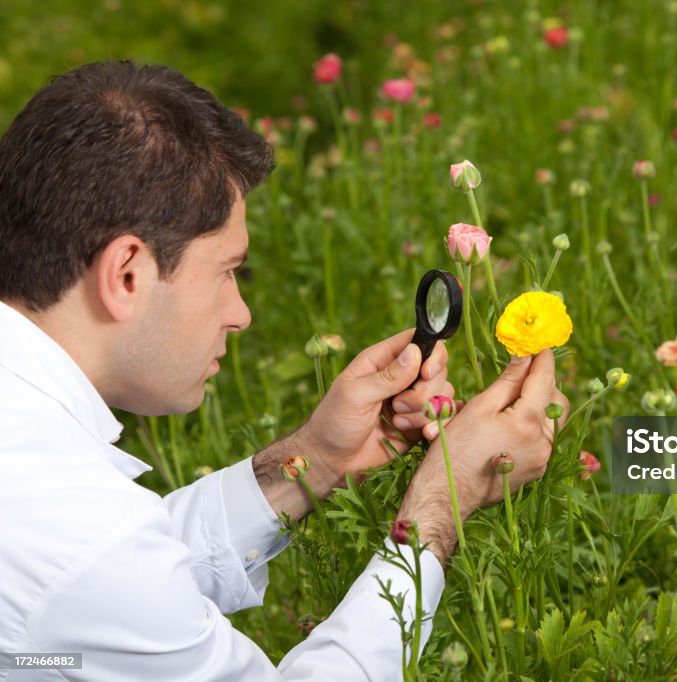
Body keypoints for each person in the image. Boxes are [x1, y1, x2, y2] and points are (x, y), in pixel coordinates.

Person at [0, 61, 569, 680]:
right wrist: (440, 502)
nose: (239, 313)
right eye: (226, 271)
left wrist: (316, 459)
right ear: (127, 273)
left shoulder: (47, 492)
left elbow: (108, 594)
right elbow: (100, 569)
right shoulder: (76, 533)